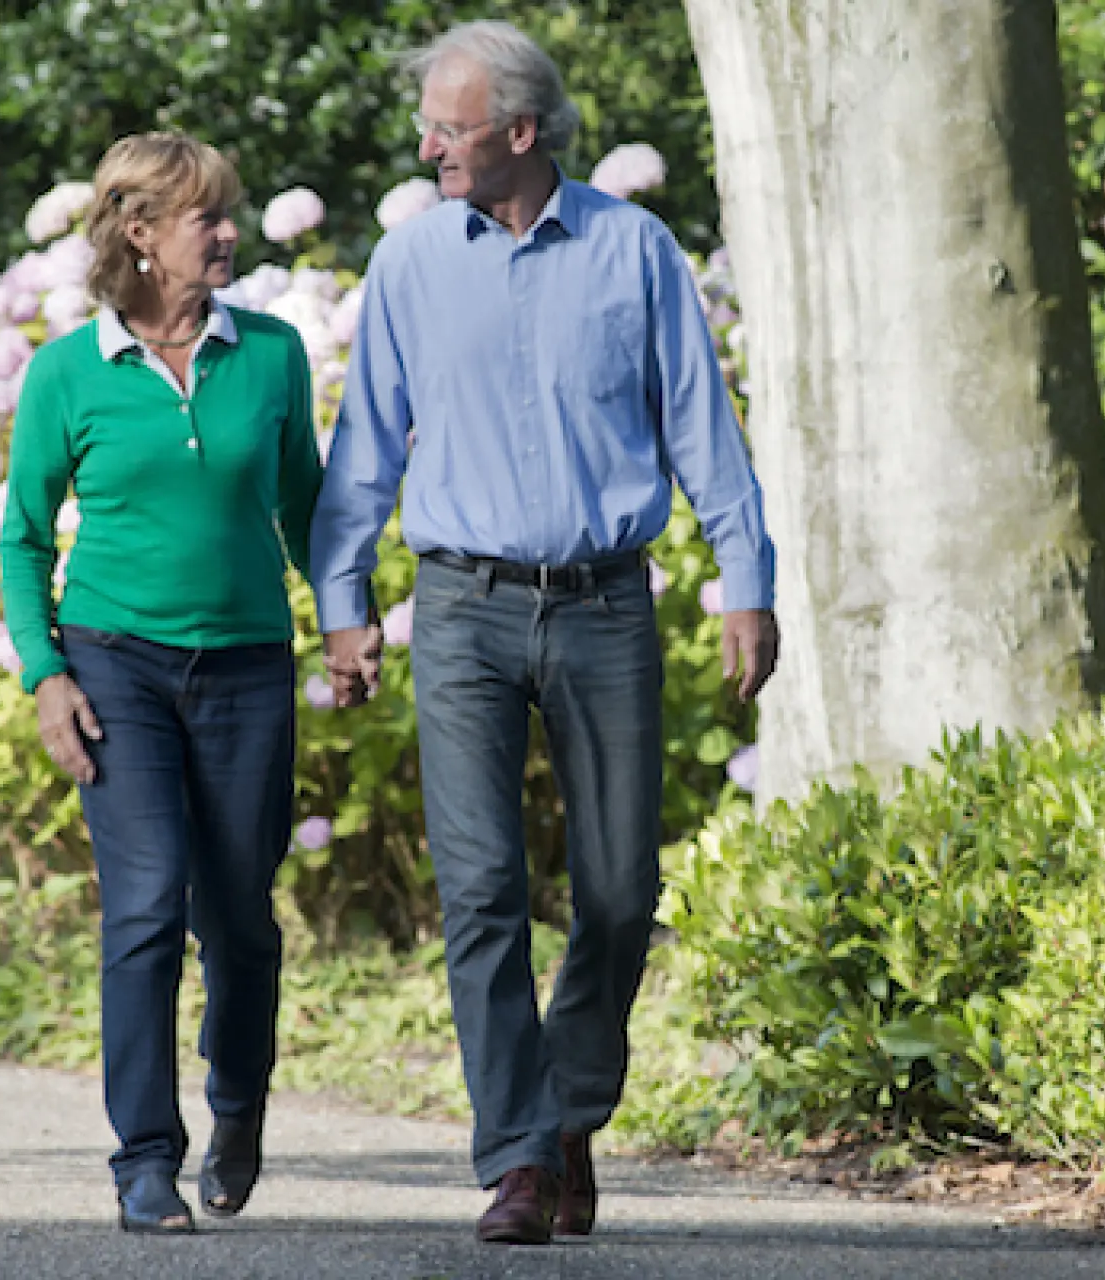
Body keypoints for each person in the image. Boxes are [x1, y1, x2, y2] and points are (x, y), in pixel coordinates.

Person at [310, 19, 780, 1246]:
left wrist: (748, 574)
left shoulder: (635, 252)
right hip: (461, 604)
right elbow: (364, 448)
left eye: (450, 129)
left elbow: (702, 427)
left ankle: (570, 1108)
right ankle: (518, 1155)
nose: (429, 147)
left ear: (521, 132)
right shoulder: (410, 262)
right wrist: (345, 601)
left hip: (605, 598)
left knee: (621, 888)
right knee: (481, 886)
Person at [0, 131, 323, 1234]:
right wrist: (47, 674)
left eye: (228, 213)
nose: (229, 232)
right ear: (139, 233)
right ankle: (144, 1155)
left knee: (240, 917)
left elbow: (307, 508)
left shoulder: (272, 354)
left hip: (247, 666)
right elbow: (25, 540)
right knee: (143, 906)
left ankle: (238, 1105)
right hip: (115, 663)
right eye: (208, 217)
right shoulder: (67, 372)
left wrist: (354, 616)